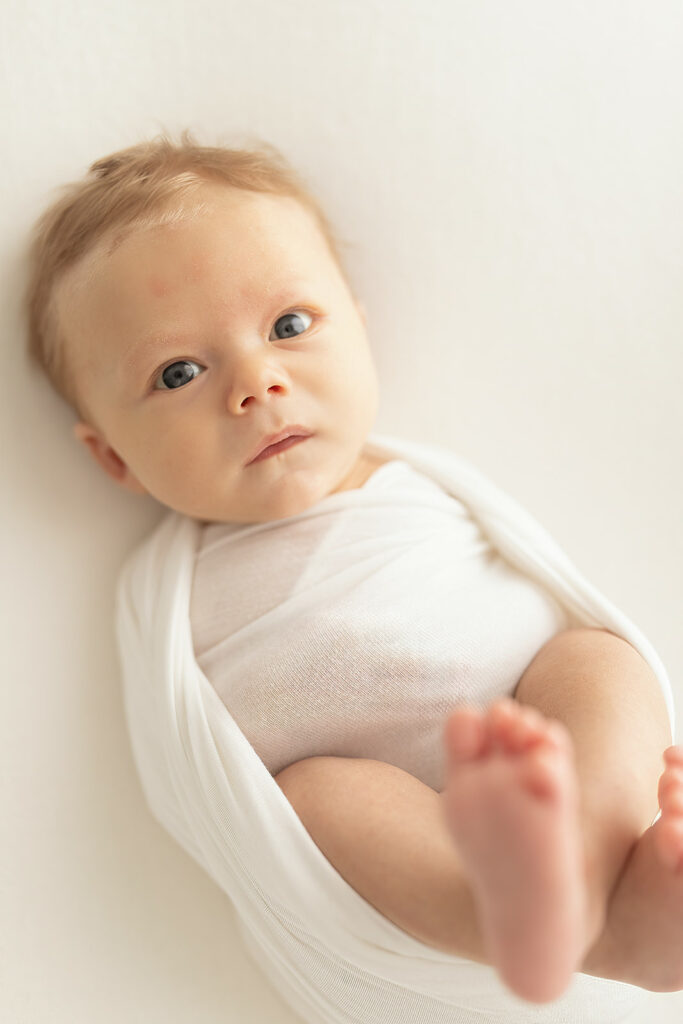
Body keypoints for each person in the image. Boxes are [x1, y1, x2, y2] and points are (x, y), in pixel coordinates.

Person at [24, 131, 683, 1006]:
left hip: (526, 710)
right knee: (322, 799)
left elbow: (547, 593)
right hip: (393, 826)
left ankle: (599, 863)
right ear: (116, 461)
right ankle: (555, 921)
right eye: (179, 372)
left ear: (358, 330)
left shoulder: (424, 485)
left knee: (596, 661)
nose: (257, 383)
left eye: (289, 326)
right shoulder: (161, 598)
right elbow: (196, 786)